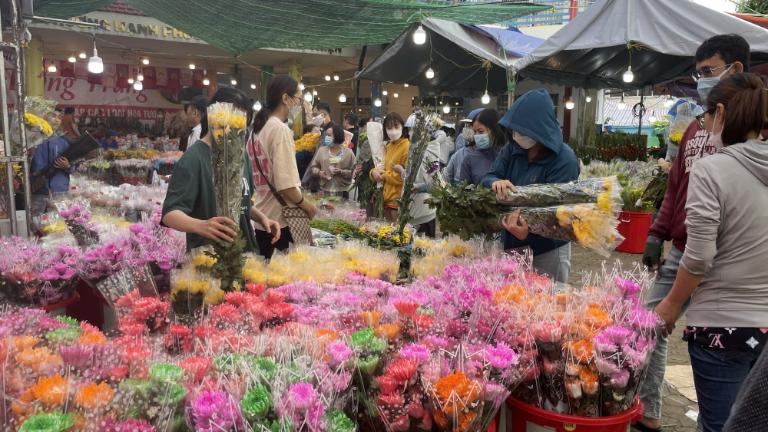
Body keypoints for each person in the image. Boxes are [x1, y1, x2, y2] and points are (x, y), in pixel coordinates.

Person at [637, 34, 750, 432]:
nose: (700, 80)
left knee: (717, 358)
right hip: (683, 250)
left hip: (728, 265)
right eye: (697, 73)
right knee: (646, 328)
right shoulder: (692, 129)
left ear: (735, 70)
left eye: (708, 72)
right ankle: (648, 411)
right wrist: (657, 232)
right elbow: (675, 189)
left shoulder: (753, 132)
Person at [654, 73, 768, 432]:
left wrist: (670, 305)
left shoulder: (711, 169)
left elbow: (700, 255)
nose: (703, 126)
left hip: (721, 326)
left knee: (719, 426)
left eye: (704, 118)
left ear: (720, 113)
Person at [161, 87, 281, 253]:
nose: (236, 131)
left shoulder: (240, 154)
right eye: (234, 122)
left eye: (241, 127)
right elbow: (170, 214)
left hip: (246, 253)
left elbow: (241, 202)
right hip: (211, 259)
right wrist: (201, 225)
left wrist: (262, 218)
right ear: (215, 114)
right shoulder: (194, 159)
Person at [482, 89, 579, 283]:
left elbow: (559, 215)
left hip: (547, 251)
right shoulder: (513, 148)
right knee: (513, 300)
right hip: (511, 244)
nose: (517, 135)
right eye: (515, 130)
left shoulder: (564, 160)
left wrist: (530, 231)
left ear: (540, 129)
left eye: (523, 131)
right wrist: (495, 182)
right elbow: (490, 176)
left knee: (546, 304)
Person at [249, 75, 318, 259]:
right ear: (285, 99)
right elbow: (286, 185)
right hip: (281, 223)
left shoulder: (256, 130)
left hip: (261, 218)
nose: (300, 104)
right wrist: (307, 206)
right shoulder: (280, 130)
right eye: (298, 98)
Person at [30, 109, 70, 218]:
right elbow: (32, 166)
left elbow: (73, 163)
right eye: (53, 116)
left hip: (59, 189)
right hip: (39, 190)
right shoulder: (33, 140)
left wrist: (68, 166)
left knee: (60, 225)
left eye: (59, 117)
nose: (57, 120)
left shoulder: (63, 141)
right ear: (44, 117)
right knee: (36, 223)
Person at [370, 112, 409, 222]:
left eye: (396, 126)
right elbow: (380, 166)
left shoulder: (407, 147)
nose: (393, 131)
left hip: (398, 200)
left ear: (402, 126)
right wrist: (373, 173)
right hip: (385, 198)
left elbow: (405, 177)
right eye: (389, 127)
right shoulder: (387, 146)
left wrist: (384, 176)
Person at [458, 109, 505, 185]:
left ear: (495, 130)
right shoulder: (469, 159)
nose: (476, 136)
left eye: (481, 131)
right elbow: (463, 191)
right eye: (475, 131)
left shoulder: (507, 156)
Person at [310, 124, 355, 198]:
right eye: (326, 135)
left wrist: (341, 172)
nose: (326, 137)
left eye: (329, 135)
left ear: (337, 136)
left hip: (342, 191)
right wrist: (319, 172)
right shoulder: (322, 150)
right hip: (324, 189)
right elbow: (313, 167)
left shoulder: (348, 152)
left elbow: (354, 172)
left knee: (342, 209)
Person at [444, 108, 482, 184]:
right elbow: (444, 178)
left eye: (470, 125)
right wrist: (423, 186)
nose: (467, 129)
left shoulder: (497, 156)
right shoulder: (460, 154)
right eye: (466, 125)